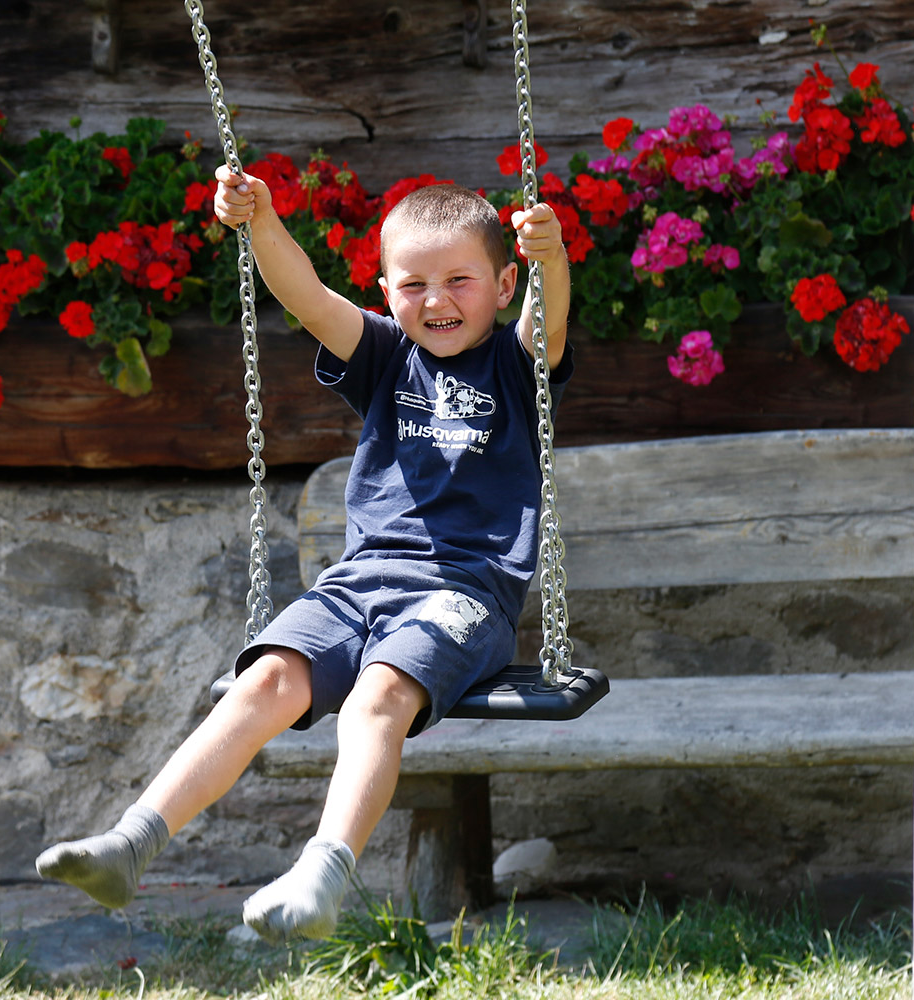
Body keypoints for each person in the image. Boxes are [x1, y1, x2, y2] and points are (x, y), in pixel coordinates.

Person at [35, 163, 572, 944]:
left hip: (465, 593)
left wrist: (550, 260)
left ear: (499, 284)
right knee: (264, 681)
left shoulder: (514, 368)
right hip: (359, 584)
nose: (436, 300)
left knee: (378, 696)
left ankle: (323, 873)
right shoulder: (387, 356)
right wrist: (260, 220)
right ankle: (132, 842)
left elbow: (549, 323)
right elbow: (307, 298)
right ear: (387, 290)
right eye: (412, 284)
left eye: (459, 280)